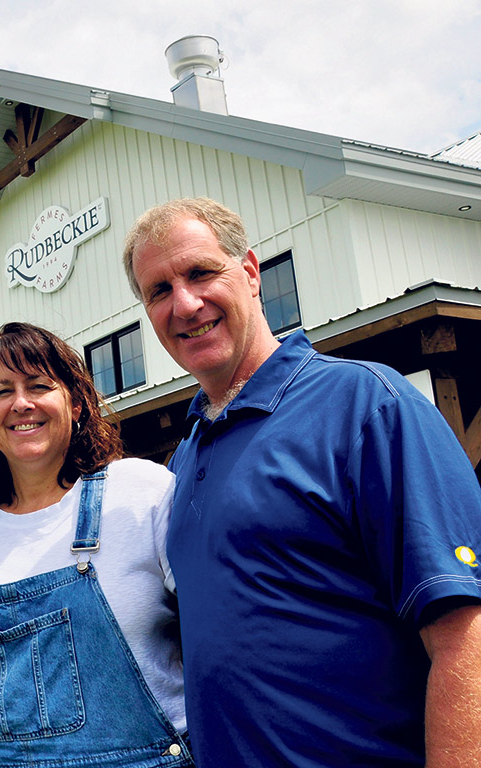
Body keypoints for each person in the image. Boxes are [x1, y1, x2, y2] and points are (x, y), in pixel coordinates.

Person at [123, 197, 481, 767]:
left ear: (249, 272)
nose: (184, 304)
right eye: (159, 291)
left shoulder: (365, 405)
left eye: (199, 273)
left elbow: (466, 635)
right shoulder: (184, 459)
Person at [0, 322, 192, 768]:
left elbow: (218, 642)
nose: (22, 403)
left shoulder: (141, 491)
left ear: (75, 403)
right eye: (2, 391)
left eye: (39, 385)